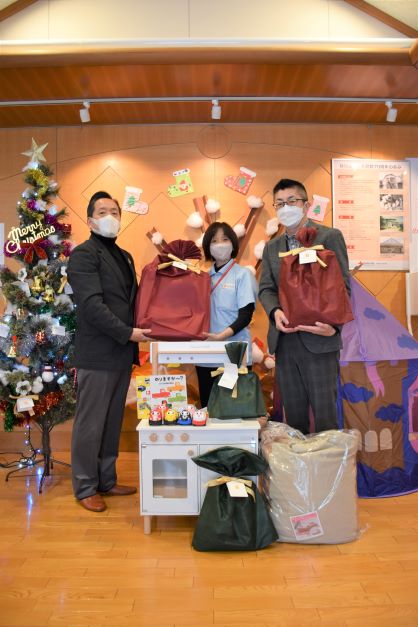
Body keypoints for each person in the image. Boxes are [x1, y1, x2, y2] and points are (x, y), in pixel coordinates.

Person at [67, 191, 150, 512]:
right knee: (90, 423)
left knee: (112, 421)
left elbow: (134, 302)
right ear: (90, 221)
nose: (110, 217)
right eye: (102, 212)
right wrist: (128, 333)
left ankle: (106, 479)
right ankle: (85, 486)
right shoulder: (83, 255)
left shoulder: (125, 256)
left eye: (114, 211)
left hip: (121, 353)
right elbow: (91, 306)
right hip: (97, 353)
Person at [259, 178, 350, 434]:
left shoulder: (329, 236)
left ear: (306, 205)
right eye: (279, 204)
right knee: (294, 419)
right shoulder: (272, 247)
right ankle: (299, 462)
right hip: (286, 340)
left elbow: (343, 286)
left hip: (320, 338)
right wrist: (275, 311)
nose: (285, 207)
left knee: (325, 417)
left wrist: (333, 328)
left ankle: (329, 461)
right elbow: (266, 288)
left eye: (292, 201)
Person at [196, 221, 258, 407]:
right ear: (208, 247)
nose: (220, 244)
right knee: (208, 408)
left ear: (233, 243)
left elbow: (246, 315)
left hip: (234, 354)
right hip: (206, 354)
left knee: (234, 410)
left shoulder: (243, 275)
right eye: (214, 241)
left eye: (224, 239)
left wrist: (222, 336)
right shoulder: (201, 278)